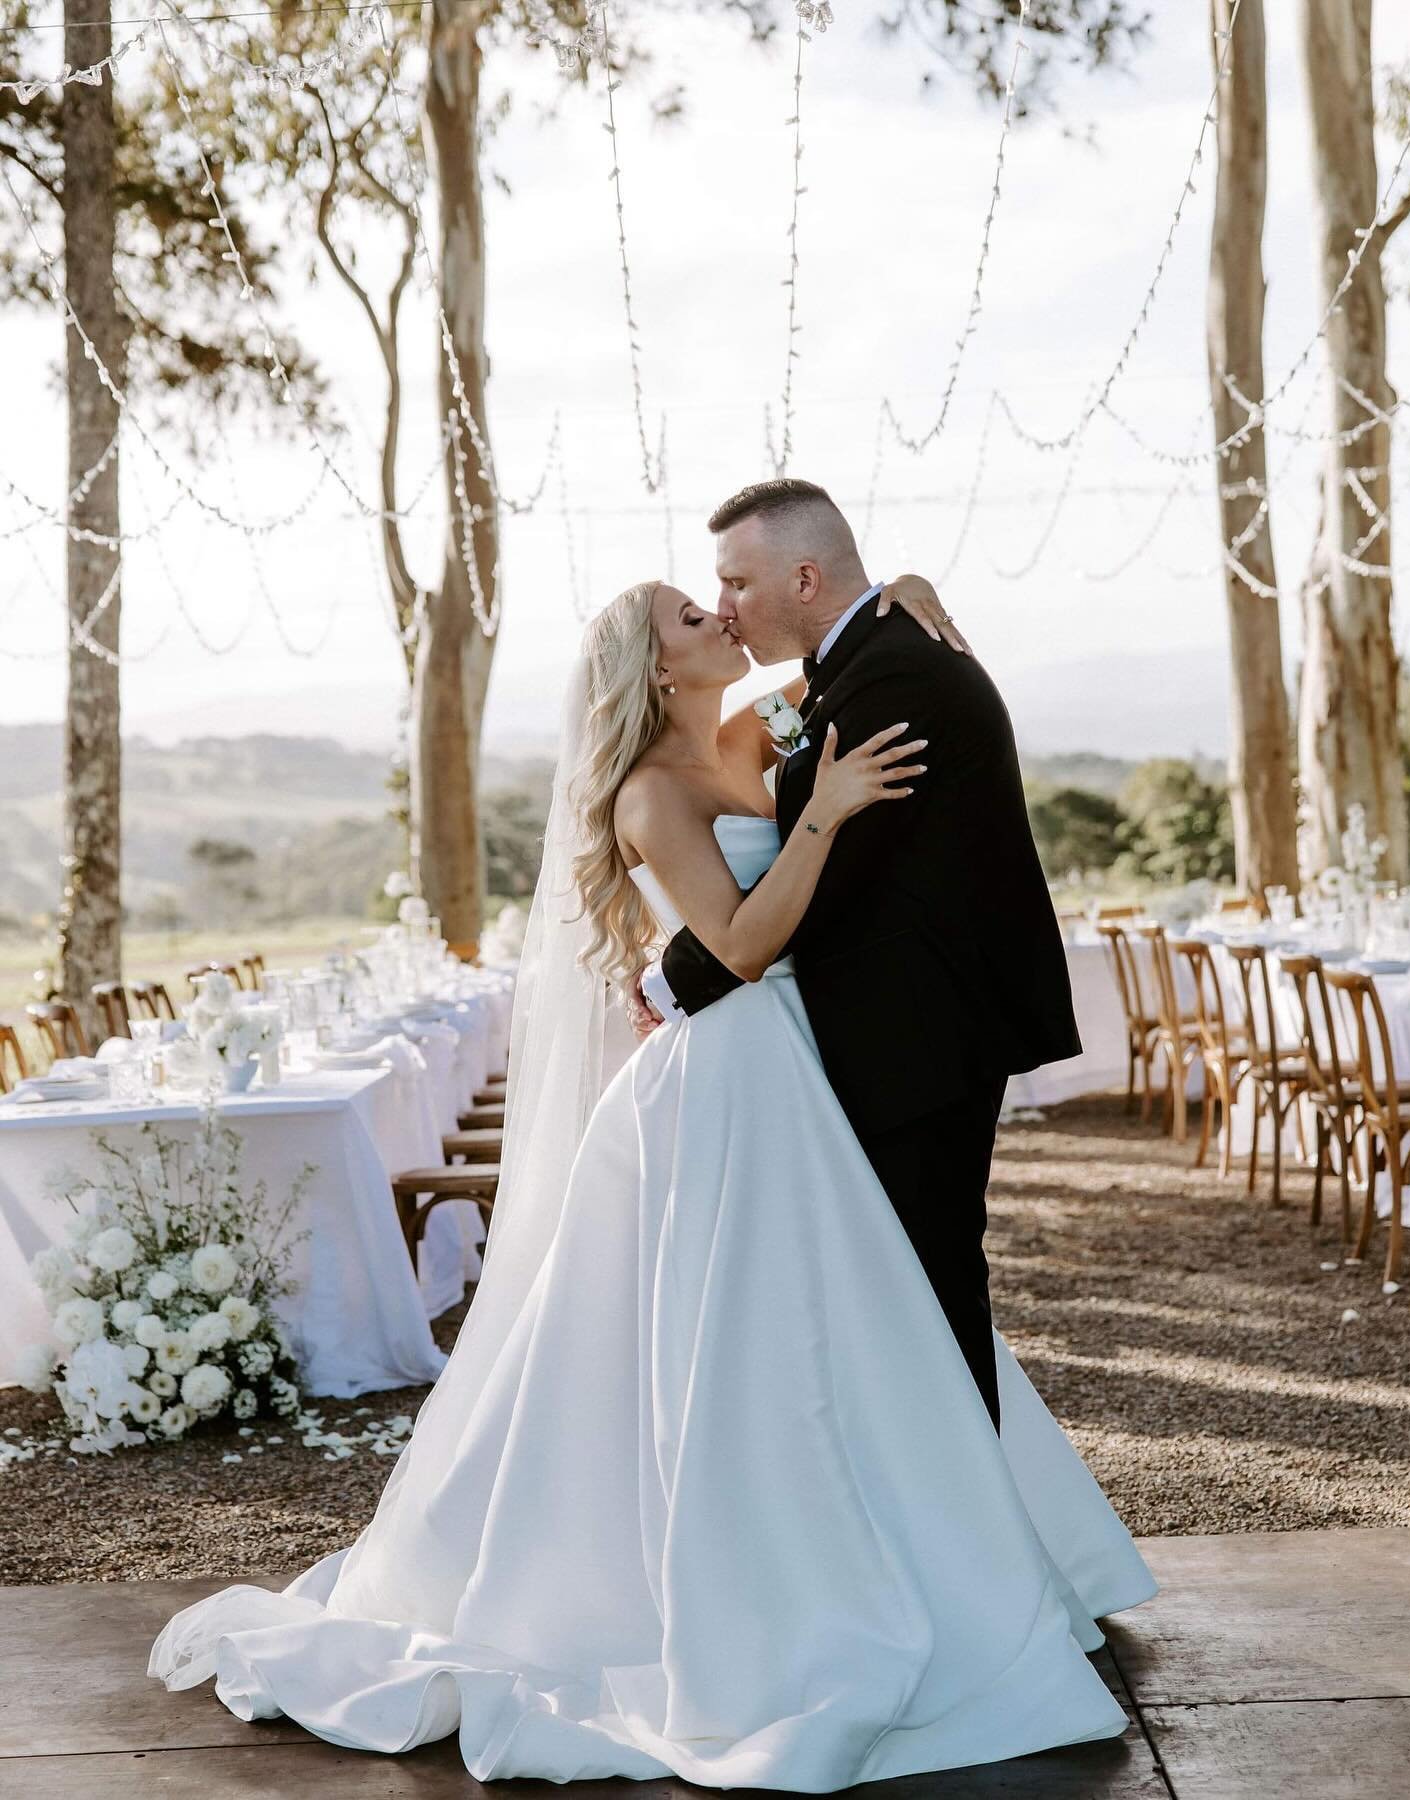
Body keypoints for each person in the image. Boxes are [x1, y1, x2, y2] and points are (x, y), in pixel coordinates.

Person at [150, 564, 1155, 1793]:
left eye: (719, 599)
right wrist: (825, 812)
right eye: (694, 615)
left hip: (807, 1061)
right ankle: (766, 1594)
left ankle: (951, 1554)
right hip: (727, 1076)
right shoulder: (646, 797)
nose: (720, 618)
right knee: (744, 1338)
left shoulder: (753, 726)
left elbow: (826, 654)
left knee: (861, 1312)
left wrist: (897, 588)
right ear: (657, 665)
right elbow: (733, 945)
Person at [632, 478, 1083, 1432]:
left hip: (919, 1034)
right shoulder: (851, 671)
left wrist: (675, 978)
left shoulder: (892, 673)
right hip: (858, 1035)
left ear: (802, 576)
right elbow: (796, 837)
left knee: (925, 1281)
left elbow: (827, 876)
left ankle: (962, 1523)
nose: (723, 609)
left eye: (733, 584)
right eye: (704, 600)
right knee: (885, 1285)